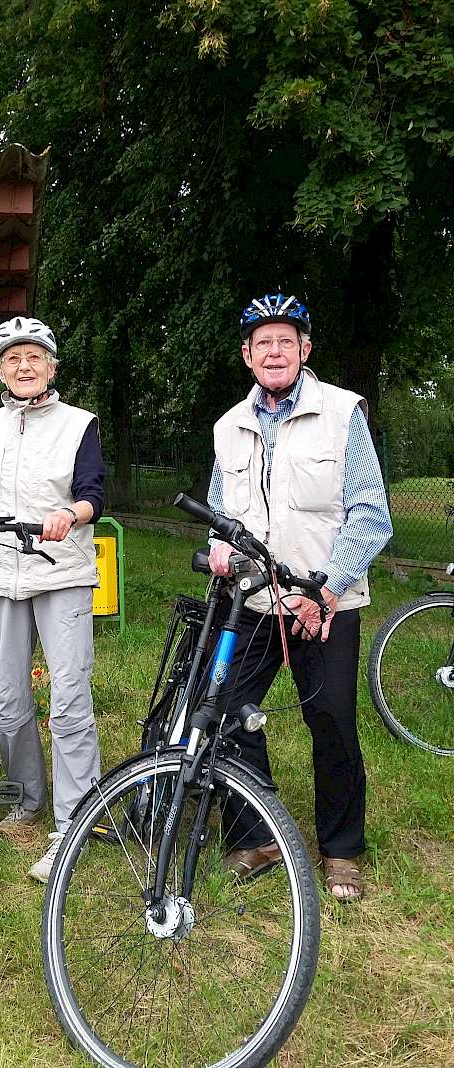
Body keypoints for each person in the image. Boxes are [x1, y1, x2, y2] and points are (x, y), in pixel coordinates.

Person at [208, 293, 392, 902]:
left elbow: (370, 516)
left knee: (332, 721)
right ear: (247, 355)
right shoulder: (228, 426)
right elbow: (220, 512)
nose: (275, 352)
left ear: (305, 350)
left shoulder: (343, 413)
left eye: (287, 341)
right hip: (254, 602)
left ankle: (341, 851)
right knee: (229, 711)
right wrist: (217, 545)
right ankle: (256, 836)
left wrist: (329, 588)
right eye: (264, 343)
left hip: (326, 602)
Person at [0, 315, 105, 884]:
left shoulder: (78, 424)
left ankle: (74, 821)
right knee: (10, 700)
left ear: (51, 367)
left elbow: (93, 491)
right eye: (13, 359)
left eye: (34, 357)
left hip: (60, 571)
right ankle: (25, 799)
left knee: (68, 700)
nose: (24, 366)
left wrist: (70, 514)